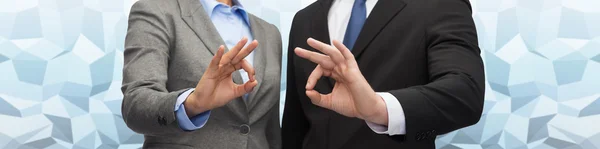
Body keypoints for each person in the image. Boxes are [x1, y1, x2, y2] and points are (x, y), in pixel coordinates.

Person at [282, 0, 485, 148]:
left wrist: (379, 108)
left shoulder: (439, 4)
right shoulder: (304, 19)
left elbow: (465, 92)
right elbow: (295, 124)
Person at [121, 0, 282, 148]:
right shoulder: (156, 11)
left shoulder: (270, 33)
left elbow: (271, 130)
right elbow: (135, 105)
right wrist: (192, 103)